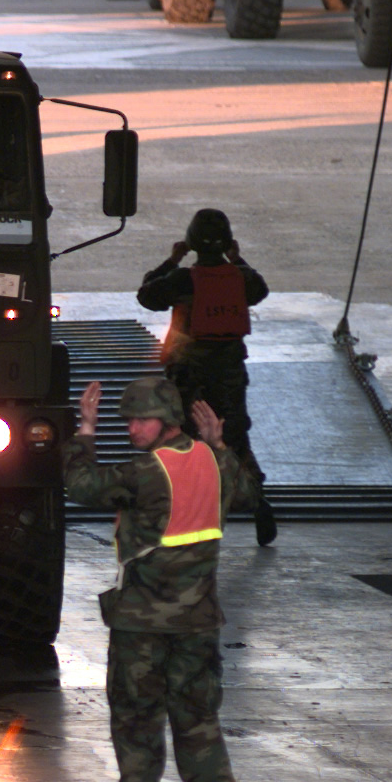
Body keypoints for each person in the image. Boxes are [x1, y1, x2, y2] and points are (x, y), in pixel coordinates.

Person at [63, 376, 251, 782]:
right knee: (199, 719)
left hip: (142, 626)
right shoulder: (216, 463)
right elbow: (246, 490)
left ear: (166, 421)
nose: (130, 429)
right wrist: (218, 443)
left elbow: (82, 485)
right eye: (125, 420)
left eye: (139, 420)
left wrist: (85, 430)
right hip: (197, 623)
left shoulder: (145, 472)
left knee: (136, 719)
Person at [137, 208, 278, 545]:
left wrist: (172, 260)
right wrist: (238, 260)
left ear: (191, 241)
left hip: (188, 377)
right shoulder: (241, 279)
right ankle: (257, 500)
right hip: (229, 375)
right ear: (228, 242)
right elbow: (260, 289)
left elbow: (146, 295)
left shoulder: (182, 280)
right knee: (234, 438)